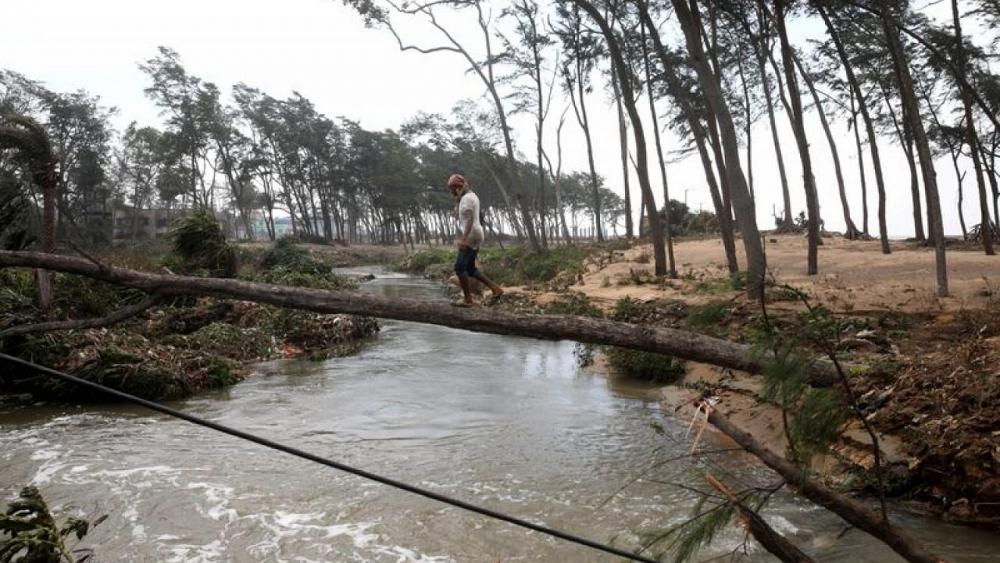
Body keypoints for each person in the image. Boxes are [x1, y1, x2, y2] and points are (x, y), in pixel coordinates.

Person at [447, 174, 503, 306]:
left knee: (459, 268)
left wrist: (463, 239)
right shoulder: (471, 196)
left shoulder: (466, 199)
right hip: (477, 233)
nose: (451, 192)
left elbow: (470, 218)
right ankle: (496, 289)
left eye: (452, 189)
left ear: (457, 187)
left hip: (471, 235)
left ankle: (468, 300)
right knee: (470, 268)